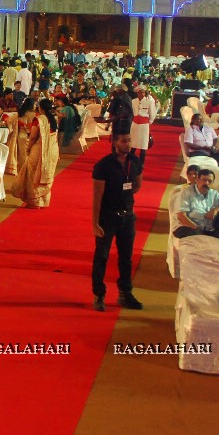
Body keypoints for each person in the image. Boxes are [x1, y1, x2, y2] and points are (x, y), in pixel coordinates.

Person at [90, 128, 143, 311]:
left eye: (129, 140)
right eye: (123, 141)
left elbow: (137, 185)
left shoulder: (134, 161)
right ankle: (99, 295)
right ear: (114, 143)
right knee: (102, 257)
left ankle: (125, 293)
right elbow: (97, 196)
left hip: (128, 216)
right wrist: (95, 223)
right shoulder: (103, 165)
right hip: (107, 217)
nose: (127, 144)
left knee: (126, 258)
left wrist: (125, 192)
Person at [11, 99, 59, 209]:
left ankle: (35, 201)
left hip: (40, 149)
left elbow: (33, 137)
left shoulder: (39, 119)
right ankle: (44, 200)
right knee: (47, 172)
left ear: (40, 108)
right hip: (53, 149)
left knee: (33, 174)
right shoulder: (53, 119)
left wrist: (28, 149)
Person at [173, 169, 219, 240]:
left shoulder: (213, 193)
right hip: (189, 227)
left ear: (213, 183)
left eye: (209, 181)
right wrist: (197, 229)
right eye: (204, 180)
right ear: (197, 180)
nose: (206, 183)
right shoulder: (186, 193)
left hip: (208, 230)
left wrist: (217, 209)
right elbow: (181, 217)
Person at [130, 85, 158, 166]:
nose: (141, 94)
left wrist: (147, 123)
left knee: (143, 146)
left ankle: (141, 164)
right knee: (133, 144)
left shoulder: (150, 102)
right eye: (140, 92)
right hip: (135, 124)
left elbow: (152, 115)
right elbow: (133, 112)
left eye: (143, 92)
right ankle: (130, 161)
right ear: (137, 93)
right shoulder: (133, 101)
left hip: (144, 125)